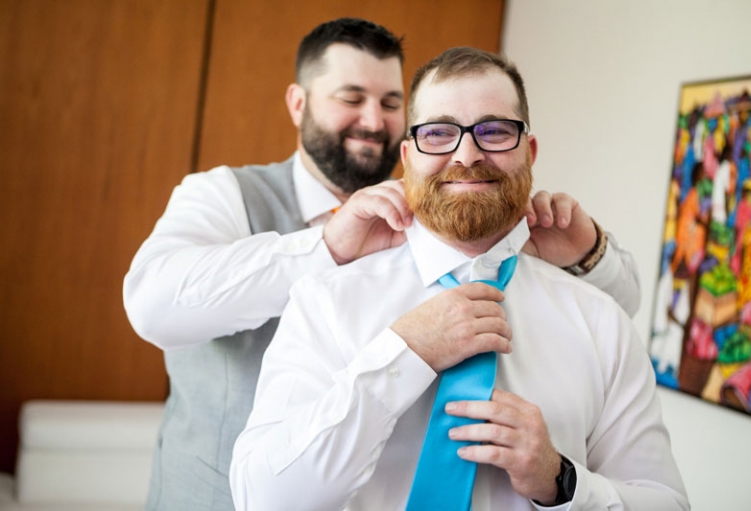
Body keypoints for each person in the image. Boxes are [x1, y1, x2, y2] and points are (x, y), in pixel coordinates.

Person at [124, 19, 640, 511]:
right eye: (351, 98)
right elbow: (152, 306)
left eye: (390, 102)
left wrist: (587, 256)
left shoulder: (464, 217)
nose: (373, 121)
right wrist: (328, 251)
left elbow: (609, 319)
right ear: (298, 103)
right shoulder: (225, 197)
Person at [230, 46, 688, 510]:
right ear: (407, 157)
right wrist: (401, 356)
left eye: (493, 131)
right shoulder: (326, 301)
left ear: (528, 152)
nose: (467, 155)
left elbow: (667, 503)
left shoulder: (602, 324)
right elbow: (263, 498)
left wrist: (562, 481)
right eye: (438, 133)